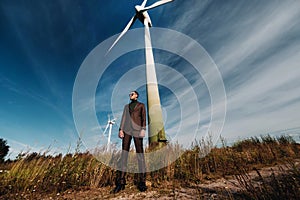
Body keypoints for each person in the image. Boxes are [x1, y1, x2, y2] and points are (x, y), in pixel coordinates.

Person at [112, 90, 147, 193]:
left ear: (136, 96)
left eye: (132, 94)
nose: (130, 95)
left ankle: (142, 182)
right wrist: (120, 130)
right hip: (127, 130)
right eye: (129, 94)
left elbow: (144, 118)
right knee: (124, 155)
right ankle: (121, 183)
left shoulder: (141, 105)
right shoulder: (126, 107)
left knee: (140, 155)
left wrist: (143, 129)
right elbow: (123, 118)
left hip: (137, 130)